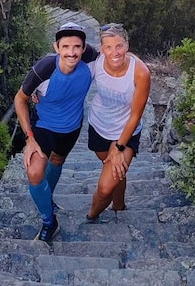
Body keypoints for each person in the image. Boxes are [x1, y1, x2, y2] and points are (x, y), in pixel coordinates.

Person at [14, 21, 98, 244]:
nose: (72, 52)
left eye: (77, 47)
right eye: (66, 47)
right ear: (56, 47)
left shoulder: (90, 59)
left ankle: (47, 199)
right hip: (43, 126)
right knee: (34, 172)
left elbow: (116, 57)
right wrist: (29, 138)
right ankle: (49, 221)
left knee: (57, 161)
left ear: (84, 47)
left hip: (71, 128)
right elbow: (20, 99)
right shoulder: (45, 69)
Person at [85, 23, 151, 221]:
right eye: (109, 47)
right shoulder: (96, 62)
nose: (114, 52)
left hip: (126, 132)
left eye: (119, 46)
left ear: (127, 45)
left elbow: (136, 115)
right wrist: (39, 89)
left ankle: (91, 217)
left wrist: (119, 146)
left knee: (105, 188)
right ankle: (119, 205)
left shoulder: (140, 72)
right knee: (116, 169)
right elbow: (66, 67)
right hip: (98, 126)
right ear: (101, 48)